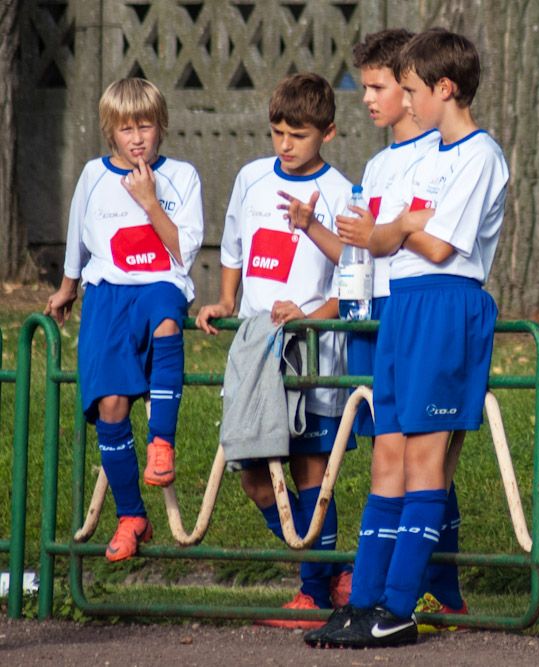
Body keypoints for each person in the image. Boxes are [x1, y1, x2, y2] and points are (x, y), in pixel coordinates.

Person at [302, 28, 509, 648]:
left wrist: (396, 229)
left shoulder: (480, 155)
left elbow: (439, 246)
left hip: (446, 307)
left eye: (411, 89)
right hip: (405, 307)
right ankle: (363, 602)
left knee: (424, 461)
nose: (406, 100)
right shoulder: (432, 157)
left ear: (444, 89)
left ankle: (397, 607)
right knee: (387, 458)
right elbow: (385, 238)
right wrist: (399, 226)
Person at [194, 72, 356, 629]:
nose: (285, 144)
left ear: (328, 133)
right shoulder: (251, 178)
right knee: (253, 474)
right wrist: (226, 300)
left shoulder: (341, 194)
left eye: (298, 135)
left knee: (312, 472)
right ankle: (332, 574)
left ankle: (311, 595)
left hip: (313, 353)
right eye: (277, 132)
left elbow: (353, 282)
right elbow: (234, 244)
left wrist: (309, 318)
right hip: (257, 350)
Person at [44, 78, 204, 562]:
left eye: (145, 127)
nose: (137, 138)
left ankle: (162, 442)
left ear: (162, 127)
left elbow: (184, 251)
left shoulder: (182, 176)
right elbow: (78, 236)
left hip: (159, 284)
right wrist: (68, 287)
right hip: (108, 292)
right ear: (109, 131)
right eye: (126, 129)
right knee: (110, 404)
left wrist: (149, 201)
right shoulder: (93, 175)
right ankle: (132, 515)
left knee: (166, 321)